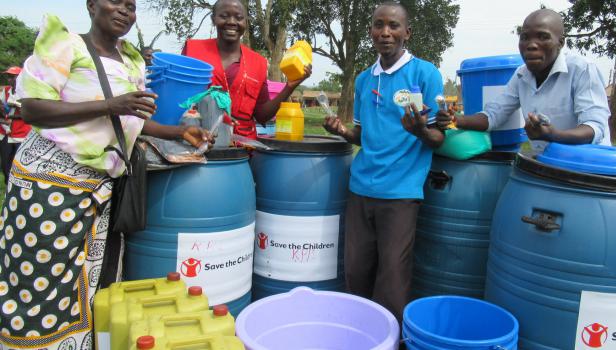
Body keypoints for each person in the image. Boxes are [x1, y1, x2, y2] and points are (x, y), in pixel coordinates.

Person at [0, 1, 212, 348]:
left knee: (87, 281)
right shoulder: (66, 45)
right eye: (115, 2)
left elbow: (131, 120)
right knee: (41, 281)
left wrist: (178, 133)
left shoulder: (132, 61)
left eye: (131, 6)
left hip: (98, 188)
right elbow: (33, 108)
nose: (125, 11)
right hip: (48, 185)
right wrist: (110, 105)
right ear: (92, 5)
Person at [322, 2, 445, 322]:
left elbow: (437, 138)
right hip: (361, 186)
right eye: (379, 25)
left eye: (393, 25)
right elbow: (364, 136)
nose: (385, 32)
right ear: (370, 31)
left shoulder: (424, 73)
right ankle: (359, 333)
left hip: (401, 192)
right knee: (357, 271)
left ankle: (389, 338)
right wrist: (342, 132)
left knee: (392, 277)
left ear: (407, 32)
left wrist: (420, 129)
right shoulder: (365, 79)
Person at [437, 9, 611, 152]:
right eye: (525, 37)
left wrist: (553, 135)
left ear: (561, 42)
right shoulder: (521, 75)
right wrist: (457, 120)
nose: (531, 44)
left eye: (543, 37)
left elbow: (594, 128)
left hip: (589, 171)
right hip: (548, 165)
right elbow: (494, 115)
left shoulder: (581, 70)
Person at [182, 0, 311, 140]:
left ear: (245, 22)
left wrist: (289, 87)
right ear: (213, 19)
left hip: (242, 150)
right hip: (195, 141)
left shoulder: (258, 63)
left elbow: (262, 115)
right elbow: (177, 97)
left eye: (239, 17)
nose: (232, 22)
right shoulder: (193, 51)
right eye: (224, 16)